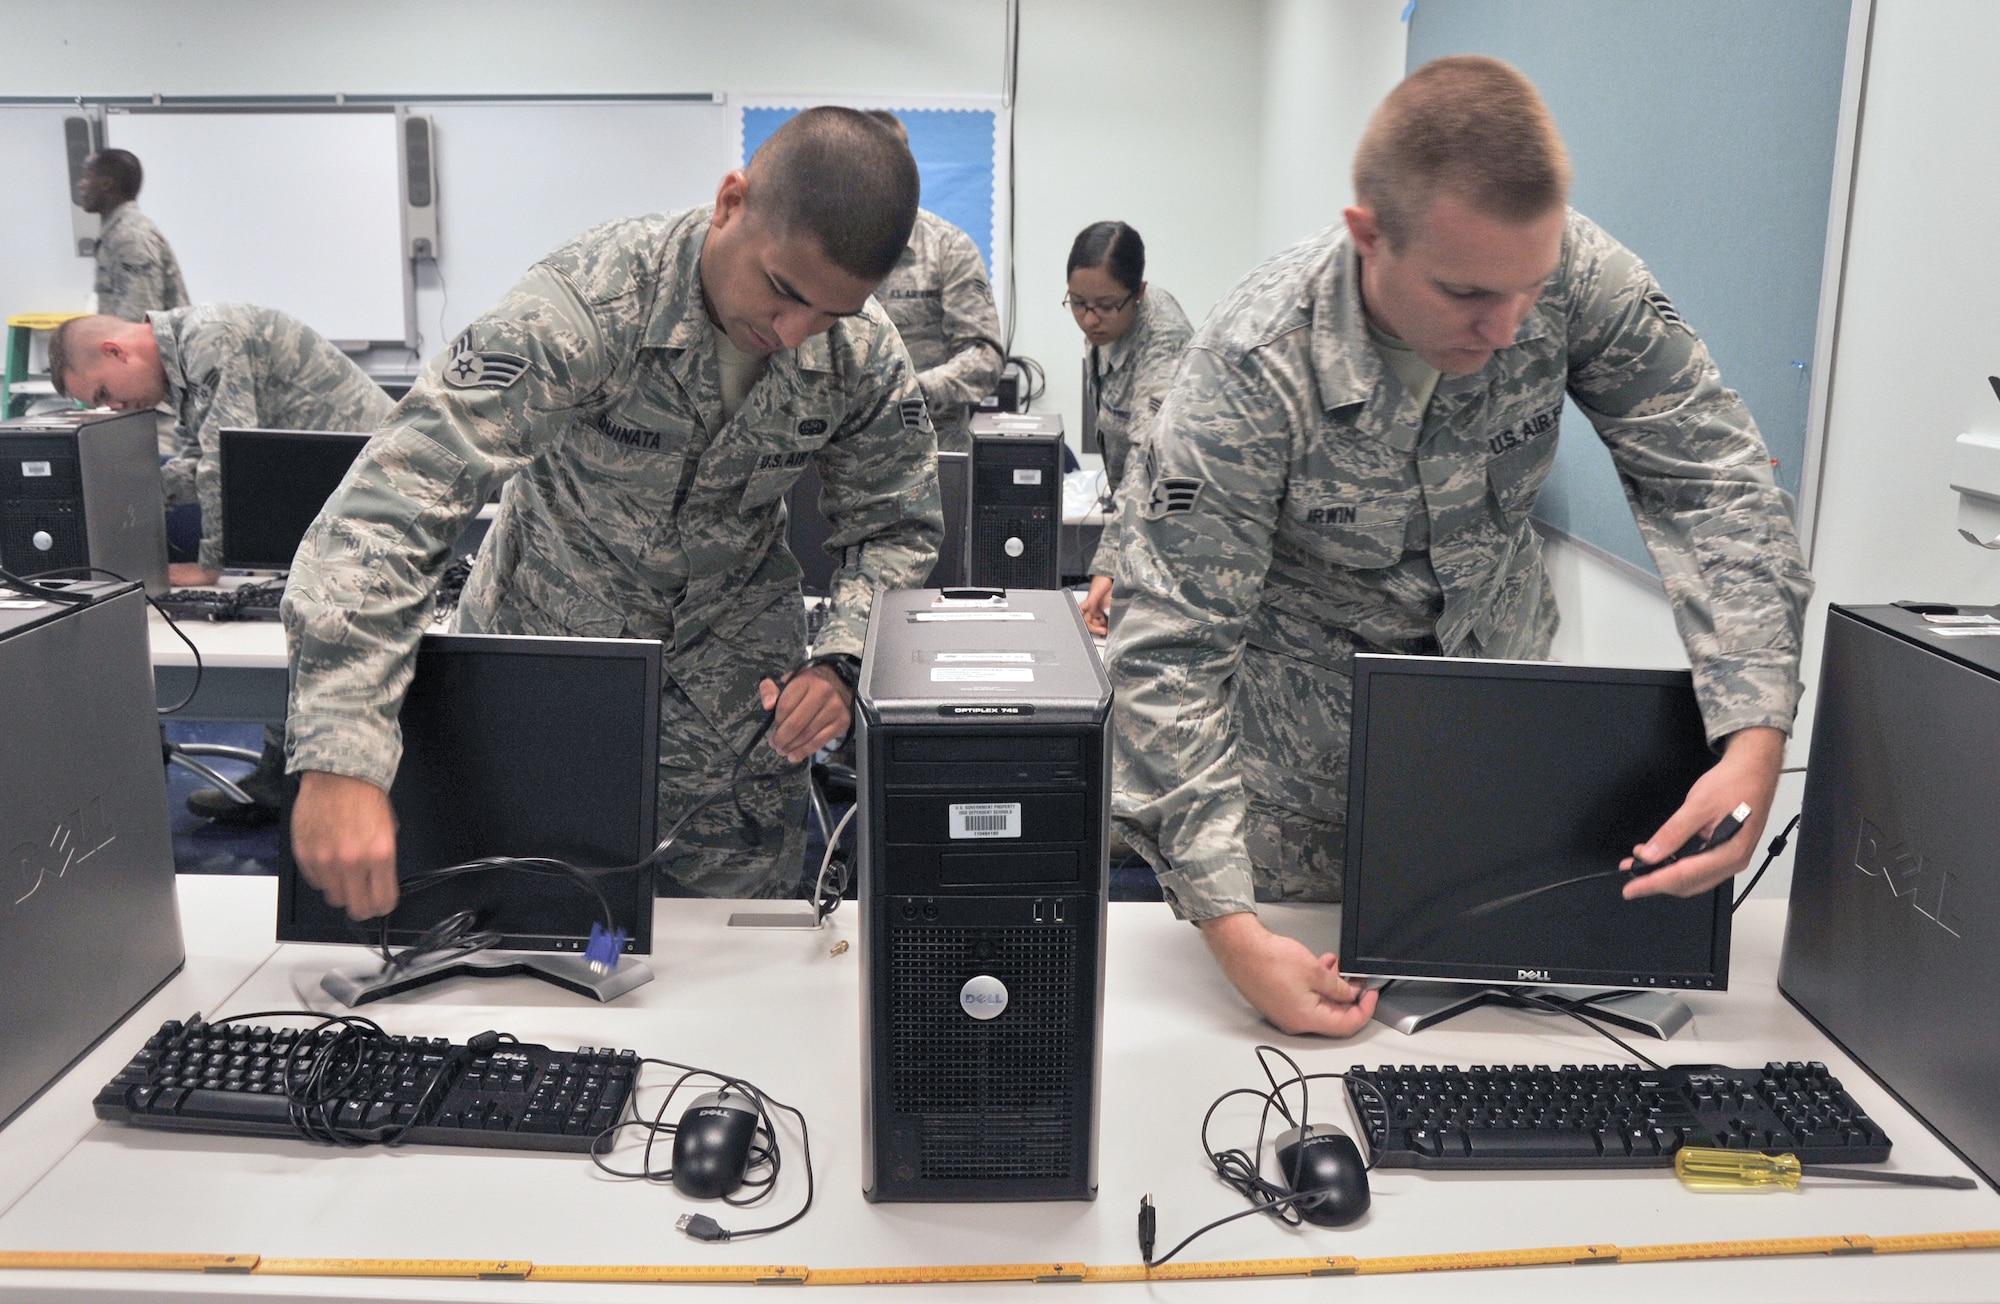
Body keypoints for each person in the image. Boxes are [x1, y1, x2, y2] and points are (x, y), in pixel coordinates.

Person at [1106, 56, 1813, 1037]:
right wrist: (1230, 931)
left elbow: (1712, 478)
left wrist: (1753, 731)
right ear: (1368, 237)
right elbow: (1168, 648)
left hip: (1494, 769)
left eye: (1527, 289)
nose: (1504, 326)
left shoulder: (1574, 273)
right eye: (1466, 292)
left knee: (1503, 1055)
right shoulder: (1250, 362)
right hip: (1292, 800)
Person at [278, 106, 941, 920]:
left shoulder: (861, 353)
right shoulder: (590, 306)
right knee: (522, 946)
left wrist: (842, 659)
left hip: (737, 705)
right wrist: (342, 746)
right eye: (782, 291)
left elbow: (894, 527)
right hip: (552, 676)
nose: (793, 331)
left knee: (734, 972)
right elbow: (389, 505)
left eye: (829, 315)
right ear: (731, 201)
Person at [48, 306, 394, 587]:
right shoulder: (181, 362)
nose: (114, 406)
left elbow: (224, 465)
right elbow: (198, 466)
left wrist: (211, 567)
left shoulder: (209, 339)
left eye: (104, 393)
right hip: (342, 490)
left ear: (115, 351)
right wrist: (113, 494)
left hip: (383, 487)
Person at [1065, 221, 1192, 638]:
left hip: (1171, 524)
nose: (1089, 319)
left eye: (1103, 305)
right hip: (1134, 515)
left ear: (1138, 294)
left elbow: (1148, 464)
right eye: (1078, 302)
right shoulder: (1106, 319)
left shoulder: (1164, 340)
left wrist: (1107, 565)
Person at [861, 110, 1004, 453]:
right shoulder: (826, 247)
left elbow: (984, 358)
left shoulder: (948, 248)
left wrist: (915, 390)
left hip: (929, 448)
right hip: (840, 451)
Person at [76, 149, 190, 323]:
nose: (81, 184)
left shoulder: (131, 236)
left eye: (87, 177)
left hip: (144, 348)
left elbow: (139, 318)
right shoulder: (117, 232)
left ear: (107, 184)